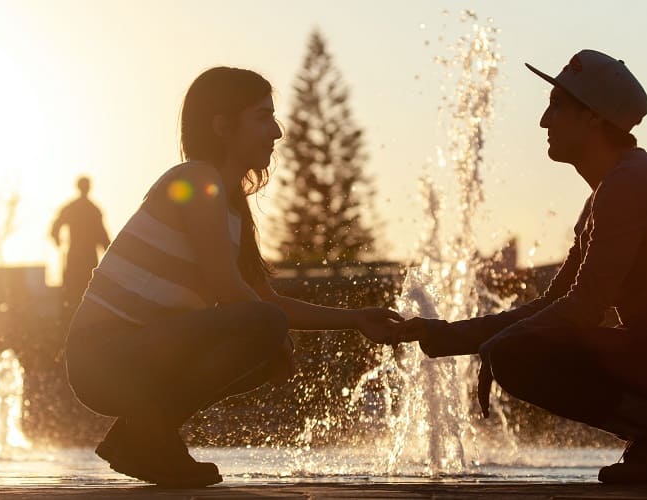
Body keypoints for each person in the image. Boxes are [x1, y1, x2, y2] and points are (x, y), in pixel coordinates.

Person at [397, 49, 647, 484]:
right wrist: (444, 335)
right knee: (519, 346)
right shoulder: (610, 192)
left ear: (593, 119)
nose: (544, 121)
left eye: (556, 107)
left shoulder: (629, 185)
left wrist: (502, 345)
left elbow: (583, 309)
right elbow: (555, 305)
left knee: (520, 354)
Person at [65, 67, 403, 488]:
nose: (276, 132)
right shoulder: (194, 180)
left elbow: (264, 299)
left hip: (140, 355)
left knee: (264, 332)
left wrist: (355, 318)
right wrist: (270, 331)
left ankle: (142, 437)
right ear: (222, 126)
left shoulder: (230, 206)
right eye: (263, 117)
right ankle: (147, 438)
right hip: (102, 357)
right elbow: (231, 290)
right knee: (264, 329)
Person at [50, 176, 111, 321]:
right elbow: (103, 237)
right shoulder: (93, 209)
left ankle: (70, 321)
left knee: (73, 292)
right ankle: (76, 321)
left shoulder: (74, 208)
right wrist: (110, 255)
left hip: (77, 256)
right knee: (83, 291)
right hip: (85, 257)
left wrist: (58, 241)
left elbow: (55, 227)